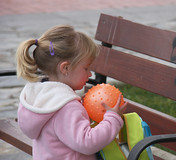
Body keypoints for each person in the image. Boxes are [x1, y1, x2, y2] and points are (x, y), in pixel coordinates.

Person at [16, 25, 127, 160]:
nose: (90, 73)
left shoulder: (41, 97)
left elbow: (63, 128)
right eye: (86, 68)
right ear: (65, 68)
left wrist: (84, 109)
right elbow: (88, 143)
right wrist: (113, 118)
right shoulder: (67, 108)